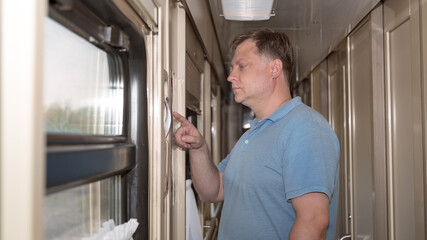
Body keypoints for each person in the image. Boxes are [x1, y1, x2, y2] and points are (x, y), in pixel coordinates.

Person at [173, 28, 339, 240]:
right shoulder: (254, 134)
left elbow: (313, 222)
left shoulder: (304, 127)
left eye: (241, 66)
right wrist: (198, 148)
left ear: (274, 69)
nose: (231, 76)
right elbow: (213, 191)